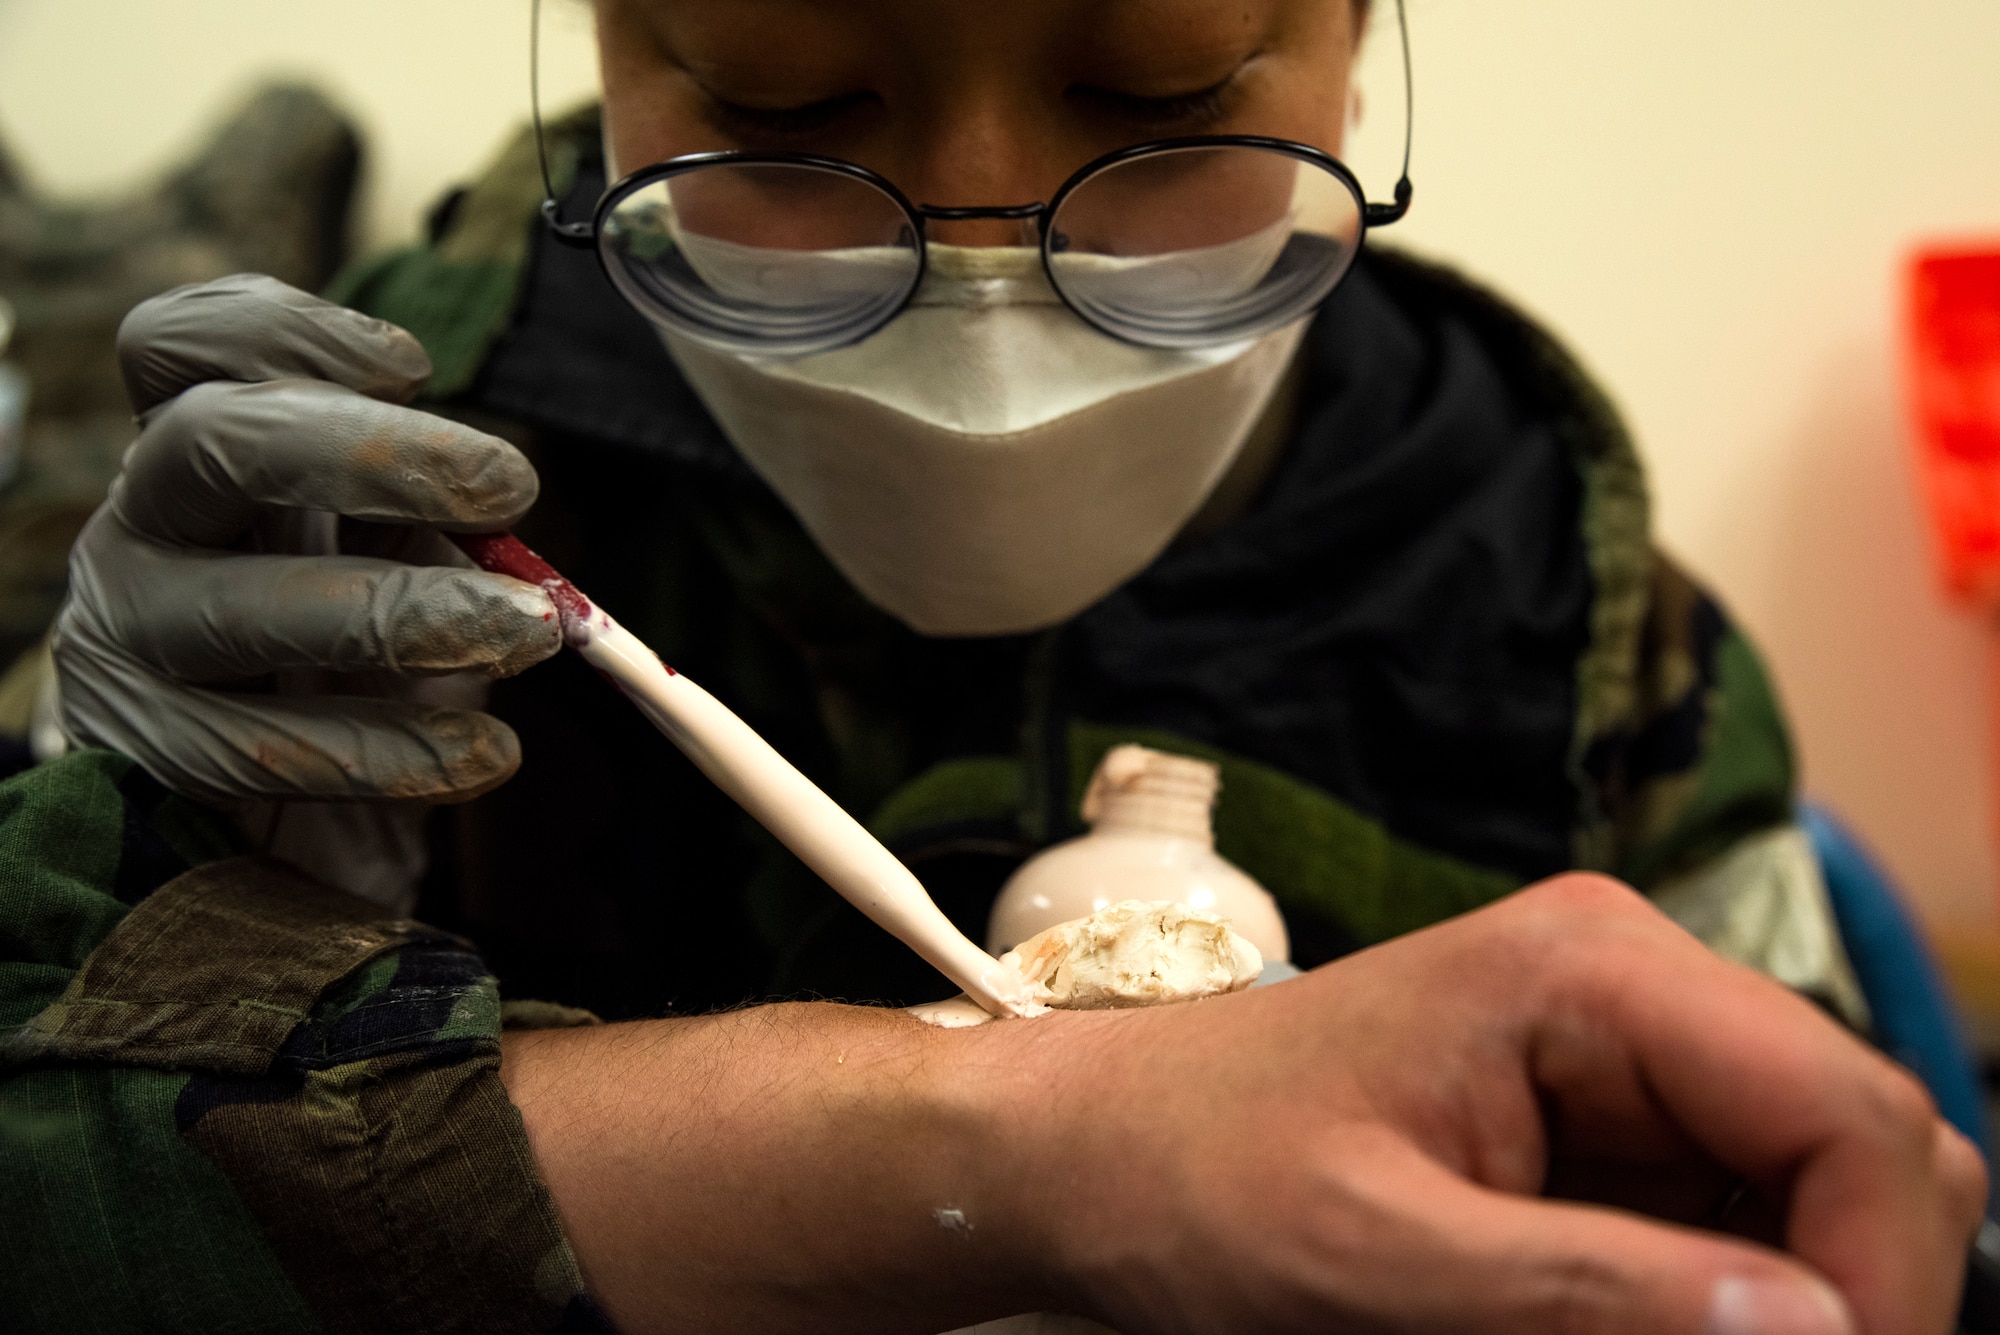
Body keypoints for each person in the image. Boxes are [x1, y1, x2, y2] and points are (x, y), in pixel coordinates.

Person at [0, 0, 1982, 1331]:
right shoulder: (364, 493)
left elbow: (1844, 1191)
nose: (975, 272)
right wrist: (104, 805)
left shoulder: (1545, 569)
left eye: (1163, 84)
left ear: (1362, 33)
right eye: (778, 93)